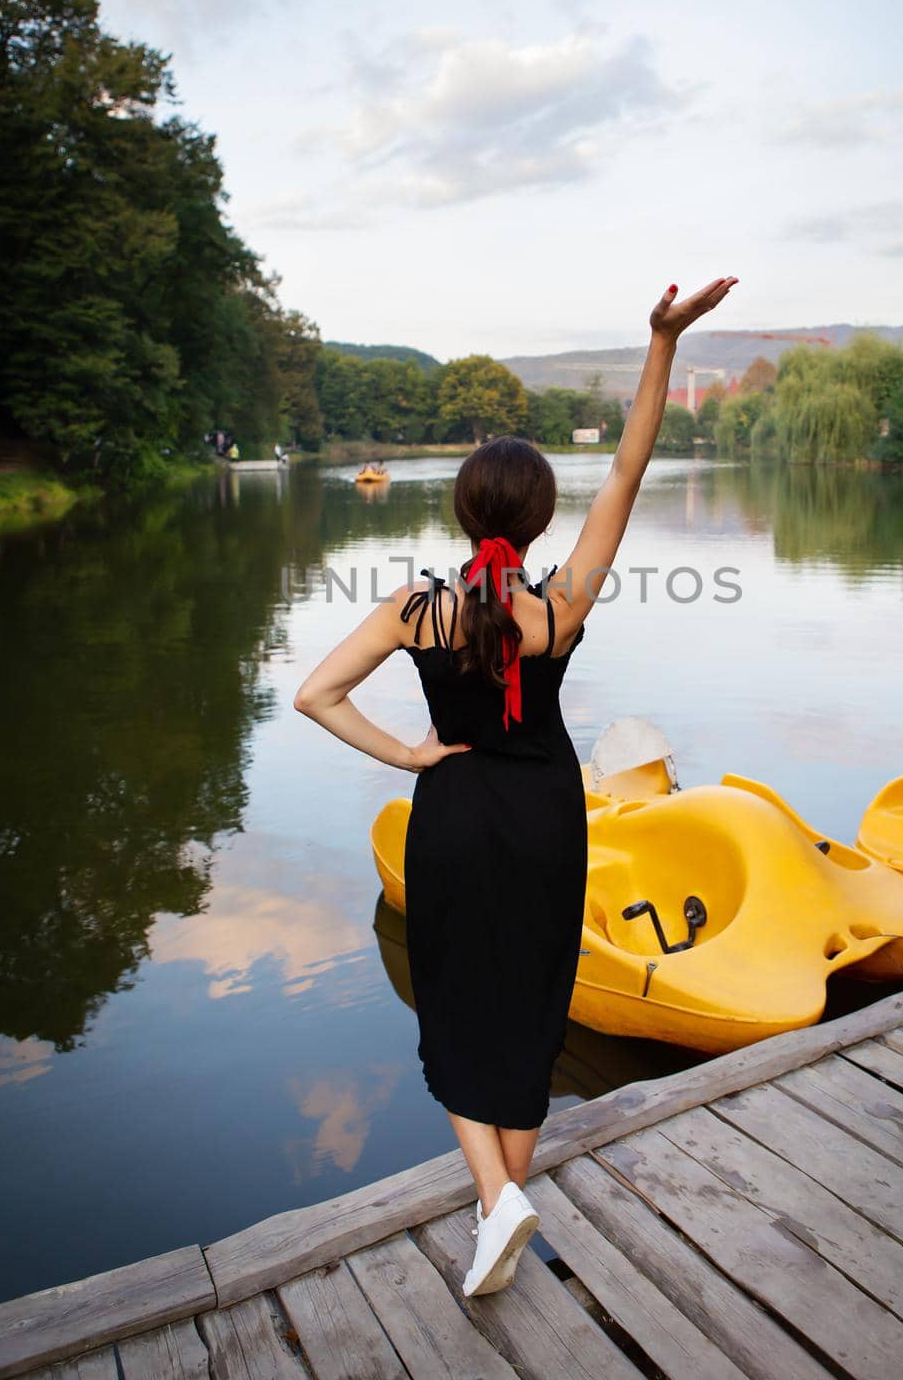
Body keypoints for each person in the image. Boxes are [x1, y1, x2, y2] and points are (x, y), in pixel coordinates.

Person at [293, 274, 738, 1296]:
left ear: (460, 510)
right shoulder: (560, 606)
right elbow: (628, 465)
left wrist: (407, 756)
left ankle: (494, 1204)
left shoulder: (414, 607)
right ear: (539, 520)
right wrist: (661, 342)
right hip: (546, 815)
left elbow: (317, 694)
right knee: (533, 1003)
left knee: (450, 1002)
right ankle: (499, 1213)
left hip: (450, 811)